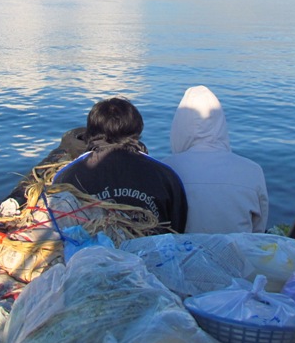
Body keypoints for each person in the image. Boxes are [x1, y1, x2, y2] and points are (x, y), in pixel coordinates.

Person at [55, 97, 188, 233]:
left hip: (88, 252)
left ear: (90, 133)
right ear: (137, 130)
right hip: (151, 252)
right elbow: (177, 228)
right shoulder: (165, 176)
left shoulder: (67, 176)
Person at [161, 85, 269, 233]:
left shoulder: (164, 170)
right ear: (221, 123)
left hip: (182, 255)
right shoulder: (252, 170)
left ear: (179, 125)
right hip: (238, 255)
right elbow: (258, 230)